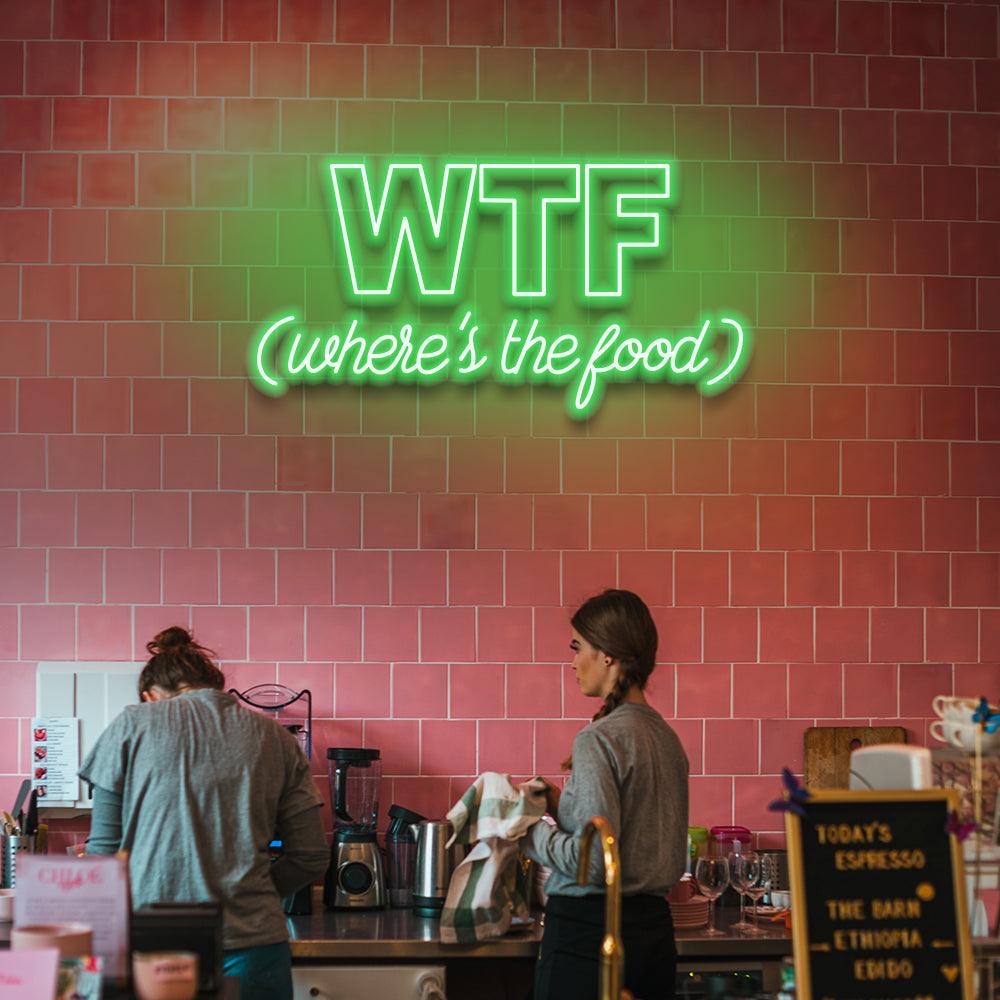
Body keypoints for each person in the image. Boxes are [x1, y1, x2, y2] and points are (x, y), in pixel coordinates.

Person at [81, 627, 328, 1000]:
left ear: (150, 697)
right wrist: (254, 892)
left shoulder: (130, 725)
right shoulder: (277, 738)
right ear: (215, 686)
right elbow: (311, 856)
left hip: (153, 949)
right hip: (254, 944)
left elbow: (102, 855)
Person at [522, 589, 689, 1000]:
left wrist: (526, 830)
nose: (573, 661)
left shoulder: (598, 739)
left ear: (608, 655)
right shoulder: (667, 739)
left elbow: (596, 863)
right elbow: (626, 834)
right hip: (654, 937)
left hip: (589, 937)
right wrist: (560, 804)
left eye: (578, 647)